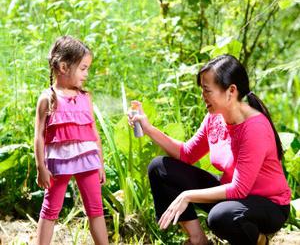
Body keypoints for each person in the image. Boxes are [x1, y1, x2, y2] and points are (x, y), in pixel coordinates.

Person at [128, 54, 291, 245]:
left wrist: (187, 195)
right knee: (160, 167)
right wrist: (148, 129)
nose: (202, 96)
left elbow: (239, 189)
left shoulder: (254, 128)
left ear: (231, 91)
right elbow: (186, 154)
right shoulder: (215, 117)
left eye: (207, 90)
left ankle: (259, 240)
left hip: (268, 205)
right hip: (232, 194)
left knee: (220, 217)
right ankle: (198, 240)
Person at [34, 36, 109, 245]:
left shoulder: (85, 96)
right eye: (83, 68)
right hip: (59, 161)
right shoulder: (47, 98)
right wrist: (41, 166)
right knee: (50, 209)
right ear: (64, 66)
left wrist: (100, 163)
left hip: (88, 160)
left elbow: (93, 132)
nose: (87, 74)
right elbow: (39, 136)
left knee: (96, 209)